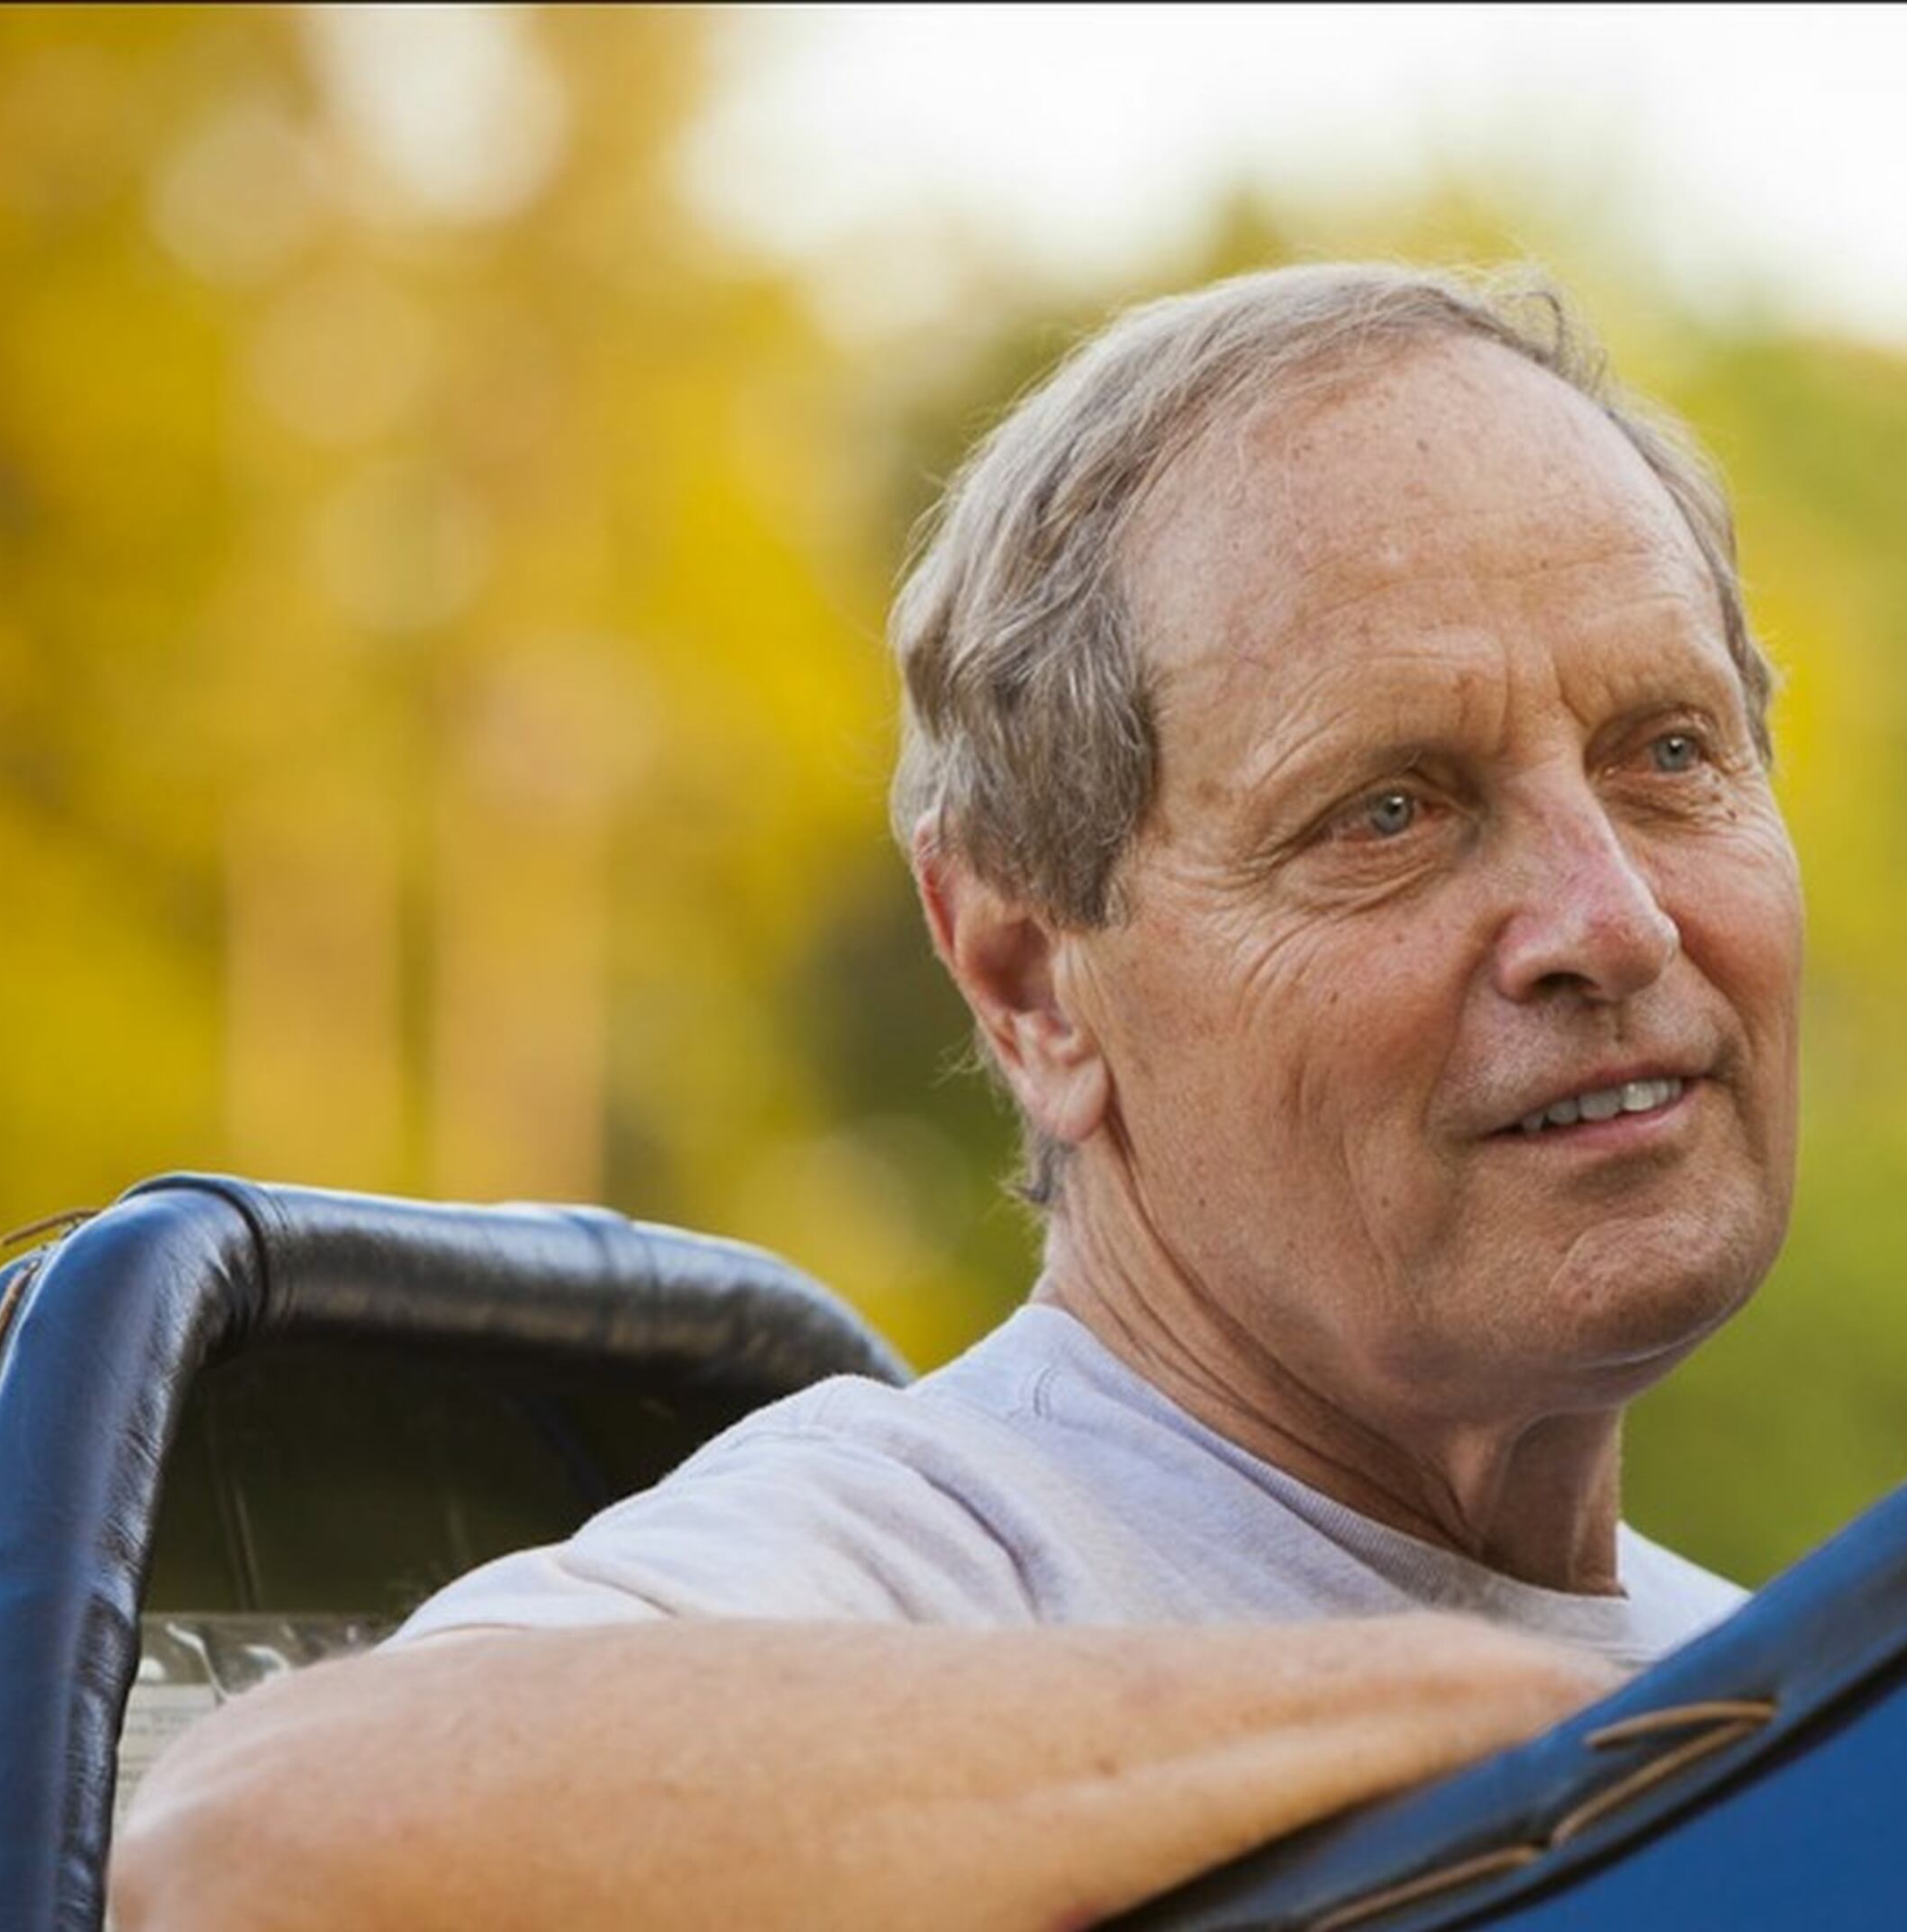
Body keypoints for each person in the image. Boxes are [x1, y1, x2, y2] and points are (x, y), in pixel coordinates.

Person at [112, 261, 1804, 1930]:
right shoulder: (918, 1568)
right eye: (1388, 811)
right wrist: (1524, 1734)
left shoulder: (1765, 1667)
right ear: (1027, 980)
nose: (1613, 918)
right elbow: (253, 1859)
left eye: (1669, 753)